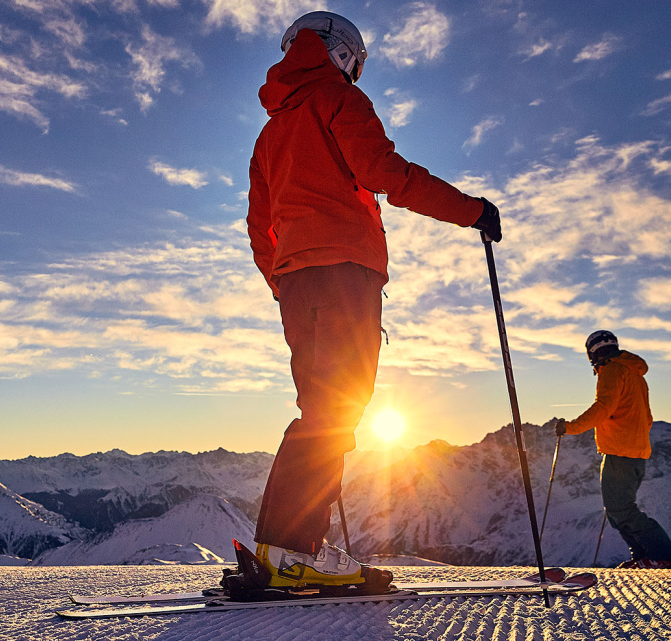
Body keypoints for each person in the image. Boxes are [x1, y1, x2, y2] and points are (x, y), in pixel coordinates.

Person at [246, 11, 502, 589]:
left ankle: (288, 550)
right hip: (345, 272)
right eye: (356, 64)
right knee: (336, 412)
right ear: (342, 54)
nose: (356, 74)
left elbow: (258, 224)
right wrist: (473, 211)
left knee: (320, 412)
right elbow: (387, 173)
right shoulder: (339, 102)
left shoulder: (271, 132)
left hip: (298, 282)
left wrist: (283, 280)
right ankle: (291, 552)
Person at [552, 330, 671, 569]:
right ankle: (644, 558)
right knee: (619, 509)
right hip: (636, 452)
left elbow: (603, 407)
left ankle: (662, 557)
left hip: (620, 452)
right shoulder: (635, 373)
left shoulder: (611, 369)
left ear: (592, 352)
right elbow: (647, 417)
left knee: (621, 509)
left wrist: (570, 427)